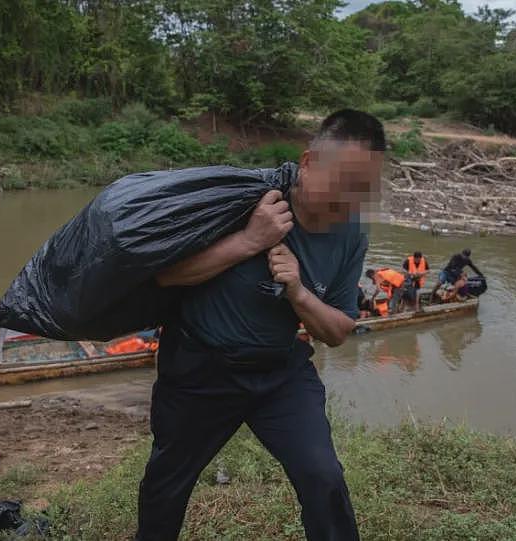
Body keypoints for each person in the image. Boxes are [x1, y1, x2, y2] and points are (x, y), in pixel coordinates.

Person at [137, 109, 385, 541]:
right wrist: (249, 241)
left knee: (322, 475)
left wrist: (300, 293)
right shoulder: (241, 199)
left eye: (361, 189)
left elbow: (339, 331)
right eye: (342, 181)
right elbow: (167, 274)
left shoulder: (351, 234)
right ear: (308, 163)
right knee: (167, 482)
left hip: (279, 372)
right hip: (200, 369)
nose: (349, 199)